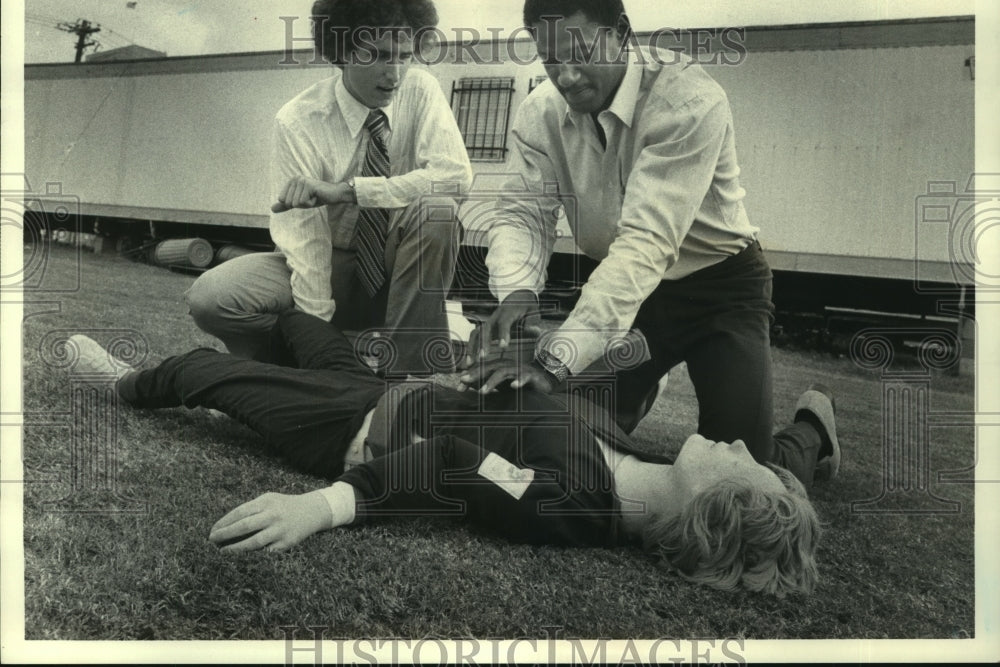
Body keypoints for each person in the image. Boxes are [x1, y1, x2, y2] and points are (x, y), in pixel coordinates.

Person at [67, 315, 837, 597]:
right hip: (404, 383)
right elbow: (778, 480)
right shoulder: (657, 469)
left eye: (746, 462)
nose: (740, 441)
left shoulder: (565, 505)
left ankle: (132, 383)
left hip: (356, 426)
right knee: (296, 321)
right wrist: (803, 442)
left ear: (714, 511)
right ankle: (819, 433)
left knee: (207, 373)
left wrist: (321, 505)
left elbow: (448, 464)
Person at [459, 0, 840, 485]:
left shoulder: (687, 101)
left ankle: (811, 432)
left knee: (739, 481)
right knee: (551, 435)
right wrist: (517, 290)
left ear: (621, 33)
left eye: (581, 53)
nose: (565, 76)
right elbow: (523, 211)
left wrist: (555, 360)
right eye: (550, 61)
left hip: (720, 292)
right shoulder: (538, 114)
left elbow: (645, 245)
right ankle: (634, 387)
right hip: (631, 299)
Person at [186, 0, 473, 374]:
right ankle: (301, 364)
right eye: (376, 55)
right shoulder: (298, 120)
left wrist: (350, 191)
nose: (394, 74)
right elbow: (305, 243)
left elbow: (455, 177)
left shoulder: (421, 91)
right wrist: (319, 347)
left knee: (439, 212)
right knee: (211, 297)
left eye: (404, 56)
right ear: (340, 51)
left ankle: (404, 378)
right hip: (331, 266)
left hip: (399, 271)